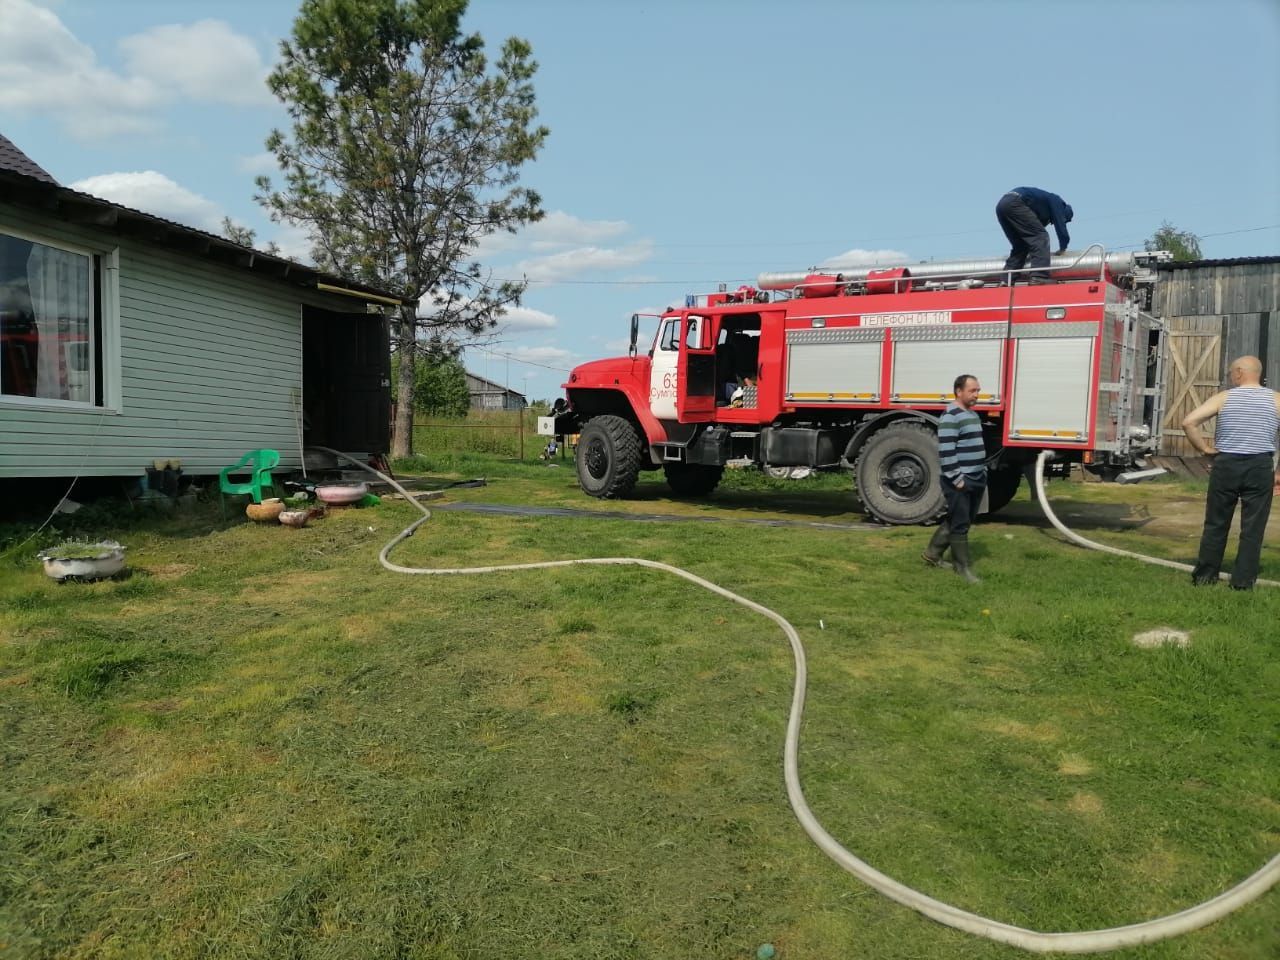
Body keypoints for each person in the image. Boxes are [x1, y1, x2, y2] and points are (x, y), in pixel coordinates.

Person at [1181, 355, 1280, 590]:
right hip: (1260, 466)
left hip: (1226, 464)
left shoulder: (1225, 397)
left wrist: (1205, 449)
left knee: (1216, 522)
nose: (1230, 377)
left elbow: (1188, 422)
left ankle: (1205, 578)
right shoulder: (1276, 400)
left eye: (1230, 373)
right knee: (1253, 527)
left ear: (1239, 372)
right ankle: (1243, 582)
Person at [923, 374, 987, 583]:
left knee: (961, 519)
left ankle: (932, 554)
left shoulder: (971, 414)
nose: (977, 394)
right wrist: (957, 479)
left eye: (978, 390)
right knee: (960, 524)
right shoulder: (951, 416)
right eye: (972, 391)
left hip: (977, 476)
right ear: (959, 391)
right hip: (961, 480)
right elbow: (946, 451)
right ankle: (963, 569)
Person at [995, 187, 1073, 283]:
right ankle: (1039, 276)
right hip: (1015, 202)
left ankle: (1006, 280)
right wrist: (1063, 248)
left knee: (1021, 245)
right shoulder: (1057, 202)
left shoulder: (1041, 208)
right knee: (1041, 237)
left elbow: (1030, 235)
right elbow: (1061, 229)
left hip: (1002, 205)